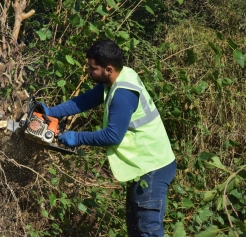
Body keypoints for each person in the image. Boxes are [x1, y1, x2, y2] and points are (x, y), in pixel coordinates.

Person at [38, 40, 176, 237]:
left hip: (153, 167)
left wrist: (76, 137)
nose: (88, 71)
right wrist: (52, 113)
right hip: (145, 166)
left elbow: (112, 136)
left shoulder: (123, 94)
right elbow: (83, 101)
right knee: (137, 230)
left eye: (92, 68)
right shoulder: (118, 77)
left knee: (148, 231)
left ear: (108, 69)